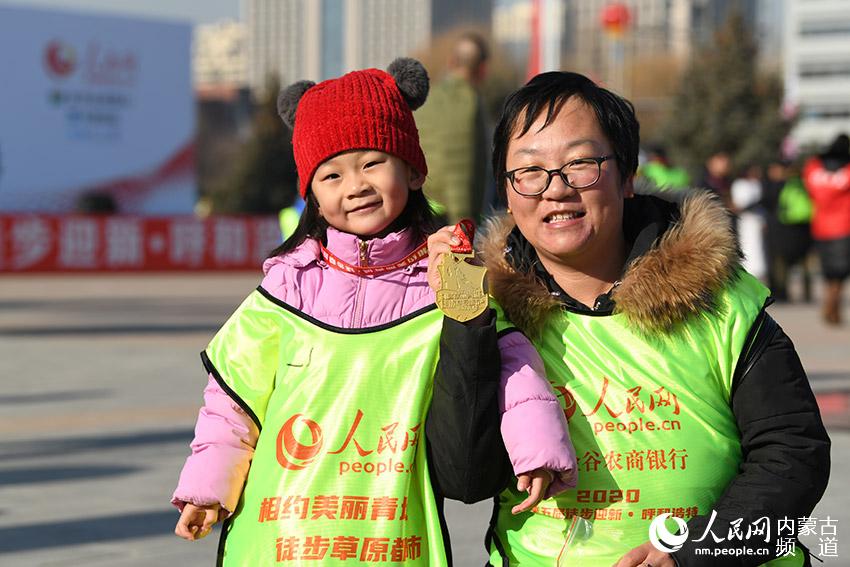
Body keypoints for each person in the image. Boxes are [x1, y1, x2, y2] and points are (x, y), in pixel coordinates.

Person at [170, 59, 576, 566]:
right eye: (332, 174)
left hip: (391, 541)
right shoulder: (284, 289)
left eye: (371, 163)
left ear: (413, 168)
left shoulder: (446, 276)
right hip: (280, 541)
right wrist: (207, 488)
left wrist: (537, 449)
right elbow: (232, 403)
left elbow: (512, 364)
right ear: (312, 195)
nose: (354, 185)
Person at [466, 71, 830, 566]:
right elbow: (461, 473)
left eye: (580, 164)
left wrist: (695, 552)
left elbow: (793, 454)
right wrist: (463, 327)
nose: (556, 189)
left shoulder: (720, 304)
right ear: (506, 191)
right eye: (529, 171)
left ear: (628, 176)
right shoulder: (488, 315)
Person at [416, 32, 491, 224]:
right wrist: (465, 229)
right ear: (483, 69)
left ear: (450, 62)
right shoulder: (468, 102)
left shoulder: (430, 97)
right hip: (447, 217)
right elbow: (460, 174)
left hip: (423, 205)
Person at [802, 133, 850, 325]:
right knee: (841, 272)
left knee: (827, 271)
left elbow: (809, 189)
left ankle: (830, 305)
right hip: (844, 227)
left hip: (820, 226)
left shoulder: (813, 168)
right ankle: (832, 306)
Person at [762, 160, 813, 303]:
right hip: (804, 229)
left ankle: (782, 293)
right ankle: (807, 294)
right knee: (805, 263)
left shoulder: (779, 186)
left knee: (781, 263)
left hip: (783, 231)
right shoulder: (803, 184)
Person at [731, 164, 768, 282]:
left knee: (758, 253)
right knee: (748, 250)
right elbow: (738, 205)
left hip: (756, 223)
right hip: (746, 223)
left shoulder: (757, 184)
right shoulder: (740, 184)